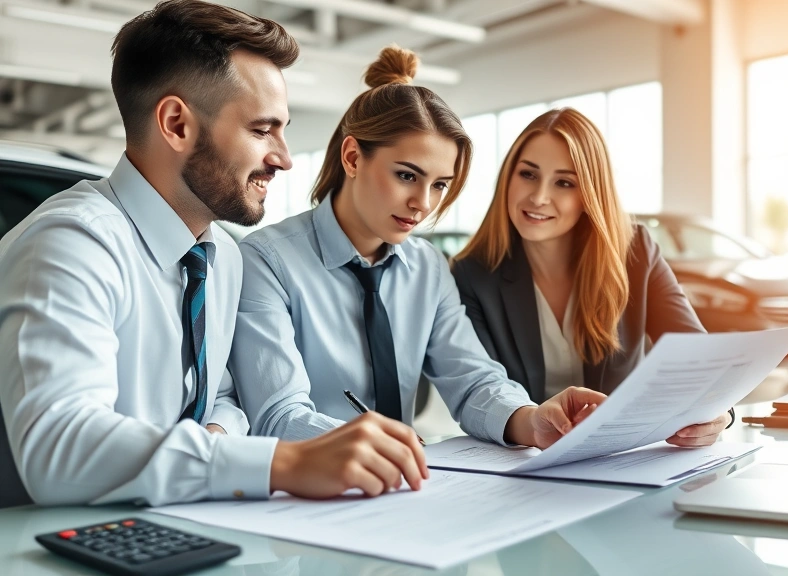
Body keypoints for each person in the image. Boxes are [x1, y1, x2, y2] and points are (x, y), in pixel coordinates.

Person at [0, 0, 427, 507]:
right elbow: (60, 449)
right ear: (177, 124)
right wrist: (285, 462)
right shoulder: (69, 244)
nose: (285, 158)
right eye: (262, 129)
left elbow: (218, 399)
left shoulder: (219, 257)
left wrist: (216, 444)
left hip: (172, 528)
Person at [229, 46, 605, 472]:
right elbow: (277, 416)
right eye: (406, 175)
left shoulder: (427, 267)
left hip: (401, 487)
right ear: (352, 158)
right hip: (307, 488)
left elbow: (473, 382)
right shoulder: (266, 262)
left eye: (440, 185)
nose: (422, 204)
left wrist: (532, 420)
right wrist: (371, 445)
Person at [451, 108, 734, 448]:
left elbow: (698, 359)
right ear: (507, 178)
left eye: (564, 182)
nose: (539, 197)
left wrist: (720, 413)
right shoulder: (472, 273)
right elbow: (480, 391)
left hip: (620, 455)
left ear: (589, 194)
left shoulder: (635, 251)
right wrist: (528, 424)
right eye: (528, 174)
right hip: (526, 459)